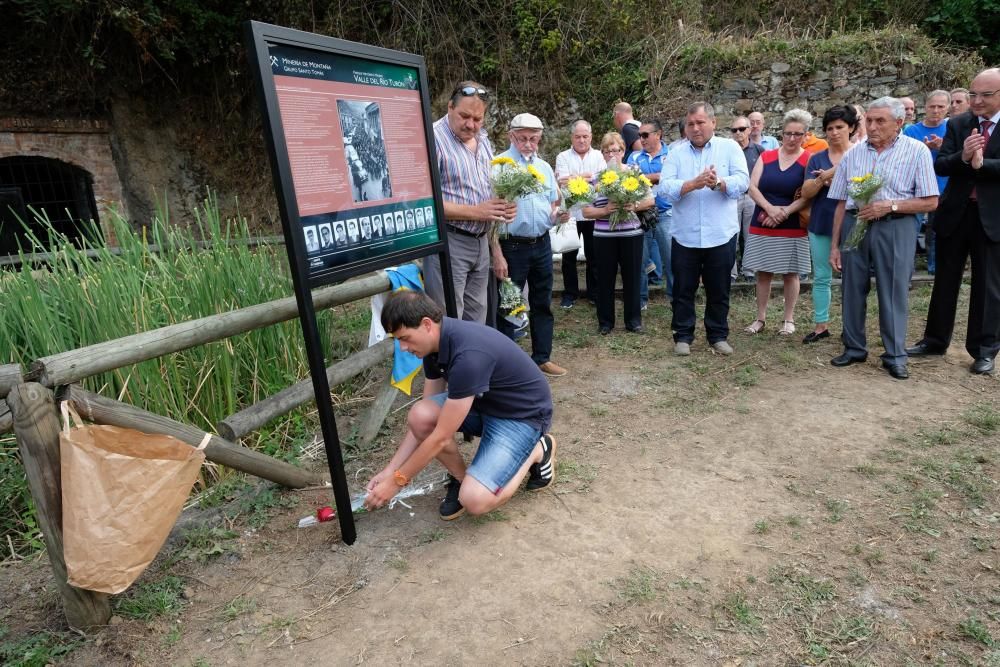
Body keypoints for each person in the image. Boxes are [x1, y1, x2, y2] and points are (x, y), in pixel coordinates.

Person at [363, 291, 556, 520]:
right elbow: (424, 421)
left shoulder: (468, 355)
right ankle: (464, 479)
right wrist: (390, 470)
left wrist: (396, 482)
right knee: (421, 415)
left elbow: (441, 437)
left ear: (426, 324)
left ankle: (537, 450)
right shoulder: (433, 344)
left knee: (475, 500)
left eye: (404, 338)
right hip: (485, 404)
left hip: (521, 417)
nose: (403, 347)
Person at [828, 97, 939, 380]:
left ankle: (895, 355)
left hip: (895, 225)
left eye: (881, 121)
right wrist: (835, 246)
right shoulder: (853, 154)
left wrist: (890, 205)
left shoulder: (917, 151)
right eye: (869, 120)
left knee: (893, 290)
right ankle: (854, 348)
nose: (873, 126)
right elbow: (840, 201)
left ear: (899, 123)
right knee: (852, 287)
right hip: (856, 222)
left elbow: (930, 201)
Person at [908, 68, 1000, 375]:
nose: (976, 101)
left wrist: (982, 164)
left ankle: (984, 349)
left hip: (992, 217)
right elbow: (941, 162)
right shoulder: (960, 124)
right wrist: (963, 156)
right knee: (945, 280)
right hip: (955, 213)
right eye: (973, 94)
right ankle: (935, 340)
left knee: (988, 286)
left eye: (985, 95)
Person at [660, 102, 749, 356]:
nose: (696, 128)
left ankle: (718, 335)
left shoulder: (729, 148)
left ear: (713, 123)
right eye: (691, 124)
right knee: (683, 289)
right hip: (685, 234)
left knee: (719, 289)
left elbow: (743, 182)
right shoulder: (675, 153)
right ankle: (683, 336)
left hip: (720, 233)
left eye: (700, 123)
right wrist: (692, 184)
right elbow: (665, 188)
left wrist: (718, 182)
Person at [424, 82, 517, 323]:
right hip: (449, 242)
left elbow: (487, 195)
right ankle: (445, 363)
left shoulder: (483, 140)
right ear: (450, 107)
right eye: (464, 116)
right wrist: (477, 211)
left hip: (481, 243)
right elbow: (424, 203)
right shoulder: (431, 139)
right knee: (447, 323)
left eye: (478, 119)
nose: (471, 124)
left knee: (476, 324)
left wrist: (500, 211)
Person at [493, 112, 568, 377]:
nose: (528, 144)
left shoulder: (545, 167)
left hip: (541, 243)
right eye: (523, 138)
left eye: (534, 139)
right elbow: (492, 215)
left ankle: (542, 357)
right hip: (512, 245)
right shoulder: (499, 165)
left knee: (542, 301)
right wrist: (496, 253)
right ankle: (505, 364)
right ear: (511, 136)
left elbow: (552, 204)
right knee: (508, 304)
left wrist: (559, 214)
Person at [742, 109, 815, 336]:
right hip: (763, 220)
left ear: (806, 135)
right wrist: (770, 209)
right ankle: (760, 318)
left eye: (797, 134)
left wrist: (784, 212)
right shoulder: (766, 156)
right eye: (788, 133)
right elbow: (752, 187)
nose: (792, 138)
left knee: (790, 273)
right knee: (763, 272)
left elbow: (809, 193)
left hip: (792, 223)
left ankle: (788, 319)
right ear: (781, 133)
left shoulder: (809, 160)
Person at [582, 132, 654, 334]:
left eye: (616, 149)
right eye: (607, 150)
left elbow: (650, 200)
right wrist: (605, 211)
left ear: (623, 151)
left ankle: (633, 321)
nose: (612, 154)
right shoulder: (596, 178)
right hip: (604, 236)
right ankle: (605, 322)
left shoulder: (634, 173)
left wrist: (635, 205)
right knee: (605, 278)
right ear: (602, 153)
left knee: (632, 277)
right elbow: (586, 211)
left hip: (631, 234)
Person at [798, 105, 858, 343]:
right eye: (830, 128)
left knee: (853, 278)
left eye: (840, 127)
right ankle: (821, 325)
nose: (834, 132)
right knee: (822, 276)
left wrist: (834, 174)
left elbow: (866, 186)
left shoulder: (860, 153)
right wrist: (825, 177)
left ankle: (851, 326)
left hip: (853, 222)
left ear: (851, 128)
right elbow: (807, 191)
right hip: (822, 222)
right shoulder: (816, 158)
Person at [554, 119, 606, 308]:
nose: (582, 140)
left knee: (594, 256)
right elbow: (563, 182)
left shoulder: (599, 156)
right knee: (569, 256)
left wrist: (577, 178)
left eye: (585, 136)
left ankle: (594, 293)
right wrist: (587, 177)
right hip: (571, 214)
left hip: (592, 212)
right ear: (572, 137)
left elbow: (601, 181)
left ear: (591, 137)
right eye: (578, 137)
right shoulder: (562, 156)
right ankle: (570, 293)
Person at [904, 90, 951, 275]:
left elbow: (958, 158)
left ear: (947, 108)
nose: (936, 110)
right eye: (932, 106)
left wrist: (942, 148)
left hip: (943, 187)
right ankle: (906, 271)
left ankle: (935, 269)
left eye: (941, 107)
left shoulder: (951, 129)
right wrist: (922, 149)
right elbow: (903, 159)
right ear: (925, 108)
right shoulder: (911, 131)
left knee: (937, 231)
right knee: (909, 232)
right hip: (914, 190)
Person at [628, 118, 673, 306]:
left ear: (658, 134)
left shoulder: (672, 154)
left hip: (667, 213)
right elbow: (629, 181)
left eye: (645, 135)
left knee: (672, 260)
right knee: (640, 260)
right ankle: (640, 301)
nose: (642, 139)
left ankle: (676, 299)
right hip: (641, 214)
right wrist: (657, 177)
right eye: (640, 135)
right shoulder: (634, 157)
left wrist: (645, 178)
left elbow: (673, 178)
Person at [728, 115, 765, 279]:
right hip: (732, 197)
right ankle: (731, 273)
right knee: (731, 236)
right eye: (734, 130)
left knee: (750, 235)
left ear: (749, 130)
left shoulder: (758, 151)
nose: (738, 133)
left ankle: (749, 271)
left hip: (752, 196)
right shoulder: (727, 151)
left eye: (742, 129)